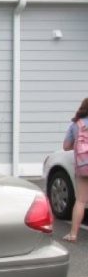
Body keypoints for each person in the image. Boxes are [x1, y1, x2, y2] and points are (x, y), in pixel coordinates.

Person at [62, 97, 88, 242]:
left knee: (81, 201)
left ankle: (73, 235)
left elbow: (66, 146)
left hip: (83, 166)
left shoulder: (75, 125)